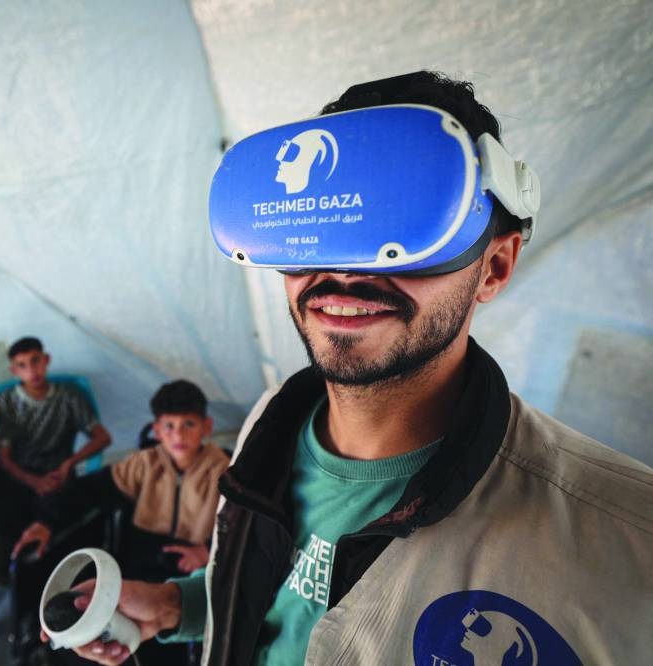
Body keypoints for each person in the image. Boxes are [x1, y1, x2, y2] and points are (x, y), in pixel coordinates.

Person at [56, 71, 653, 665]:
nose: (342, 271)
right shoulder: (273, 420)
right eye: (318, 222)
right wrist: (177, 606)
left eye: (403, 222)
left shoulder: (623, 543)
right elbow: (288, 605)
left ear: (493, 267)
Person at [14, 379, 229, 664]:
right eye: (169, 426)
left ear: (206, 427)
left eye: (188, 424)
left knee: (171, 643)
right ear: (156, 430)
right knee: (103, 630)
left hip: (190, 568)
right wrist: (46, 522)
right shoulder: (143, 464)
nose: (178, 434)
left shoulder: (225, 470)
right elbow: (90, 491)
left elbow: (241, 523)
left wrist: (206, 549)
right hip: (140, 565)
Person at [0, 336, 112, 546]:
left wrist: (69, 463)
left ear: (46, 360)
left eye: (36, 361)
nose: (32, 371)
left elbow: (103, 437)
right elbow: (5, 459)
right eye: (22, 366)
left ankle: (22, 534)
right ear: (14, 371)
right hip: (19, 475)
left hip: (55, 476)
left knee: (55, 506)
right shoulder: (6, 401)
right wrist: (34, 482)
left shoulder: (69, 397)